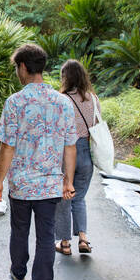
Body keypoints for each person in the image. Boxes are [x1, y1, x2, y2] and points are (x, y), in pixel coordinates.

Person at [0, 44, 78, 280]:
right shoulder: (62, 102)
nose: (17, 71)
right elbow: (70, 146)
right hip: (50, 184)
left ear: (24, 68)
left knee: (19, 230)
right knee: (45, 237)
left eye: (17, 67)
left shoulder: (15, 102)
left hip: (21, 185)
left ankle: (19, 274)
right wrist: (68, 180)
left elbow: (7, 146)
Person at [54, 59, 102, 255]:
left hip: (67, 154)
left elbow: (56, 129)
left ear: (66, 77)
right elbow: (97, 125)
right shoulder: (93, 98)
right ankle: (83, 239)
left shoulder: (61, 99)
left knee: (64, 198)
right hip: (86, 153)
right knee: (79, 198)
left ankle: (65, 244)